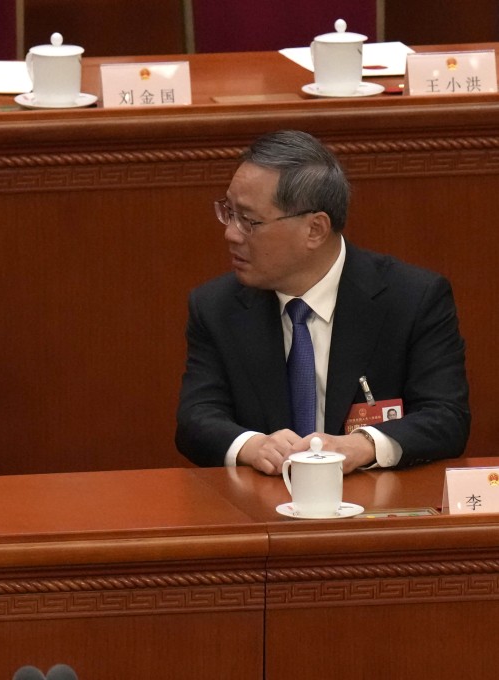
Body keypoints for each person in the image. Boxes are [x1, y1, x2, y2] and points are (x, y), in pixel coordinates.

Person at [175, 130, 469, 475]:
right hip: (262, 505)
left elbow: (447, 417)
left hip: (371, 506)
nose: (231, 233)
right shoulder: (216, 307)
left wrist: (361, 445)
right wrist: (254, 446)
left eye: (249, 221)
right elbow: (196, 420)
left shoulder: (413, 298)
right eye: (229, 212)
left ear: (315, 229)